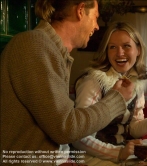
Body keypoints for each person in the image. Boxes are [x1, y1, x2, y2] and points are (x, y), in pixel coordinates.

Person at [0, 1, 134, 165]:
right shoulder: (33, 45)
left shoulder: (53, 52)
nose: (97, 26)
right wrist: (116, 99)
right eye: (95, 17)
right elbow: (66, 128)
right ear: (80, 10)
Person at [72, 21, 147, 165]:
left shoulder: (136, 83)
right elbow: (79, 137)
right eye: (112, 47)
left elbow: (134, 129)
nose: (119, 53)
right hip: (90, 158)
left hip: (119, 154)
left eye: (126, 46)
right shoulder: (94, 81)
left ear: (138, 50)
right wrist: (118, 153)